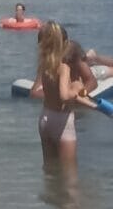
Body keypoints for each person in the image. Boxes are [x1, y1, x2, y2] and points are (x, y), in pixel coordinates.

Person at [35, 22, 96, 164]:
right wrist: (77, 94)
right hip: (62, 117)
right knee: (70, 176)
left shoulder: (44, 63)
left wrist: (82, 92)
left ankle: (94, 57)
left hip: (45, 117)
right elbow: (64, 96)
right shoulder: (63, 68)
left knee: (50, 170)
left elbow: (92, 81)